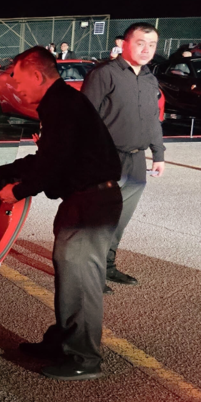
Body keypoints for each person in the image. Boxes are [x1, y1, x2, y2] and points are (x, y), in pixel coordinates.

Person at [0, 47, 122, 380]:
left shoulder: (61, 106)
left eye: (17, 80)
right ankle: (62, 342)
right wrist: (1, 172)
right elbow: (49, 158)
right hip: (86, 200)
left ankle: (83, 357)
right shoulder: (61, 103)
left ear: (37, 76)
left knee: (80, 280)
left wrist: (18, 190)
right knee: (70, 276)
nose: (14, 88)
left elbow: (53, 162)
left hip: (91, 203)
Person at [81, 22, 165, 289]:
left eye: (152, 44)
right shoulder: (104, 74)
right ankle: (89, 273)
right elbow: (84, 117)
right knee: (99, 220)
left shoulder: (150, 79)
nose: (146, 49)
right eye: (140, 43)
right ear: (124, 44)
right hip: (107, 160)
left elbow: (152, 119)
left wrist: (158, 154)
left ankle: (107, 266)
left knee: (119, 221)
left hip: (137, 161)